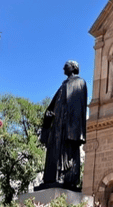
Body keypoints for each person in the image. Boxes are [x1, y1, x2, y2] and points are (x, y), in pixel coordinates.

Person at [37, 60, 88, 191]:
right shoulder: (63, 85)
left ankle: (65, 178)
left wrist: (73, 127)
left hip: (69, 126)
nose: (63, 68)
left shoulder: (80, 82)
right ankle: (51, 178)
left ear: (73, 68)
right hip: (57, 125)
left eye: (66, 66)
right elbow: (53, 105)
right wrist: (49, 115)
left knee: (67, 153)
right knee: (54, 151)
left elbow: (79, 107)